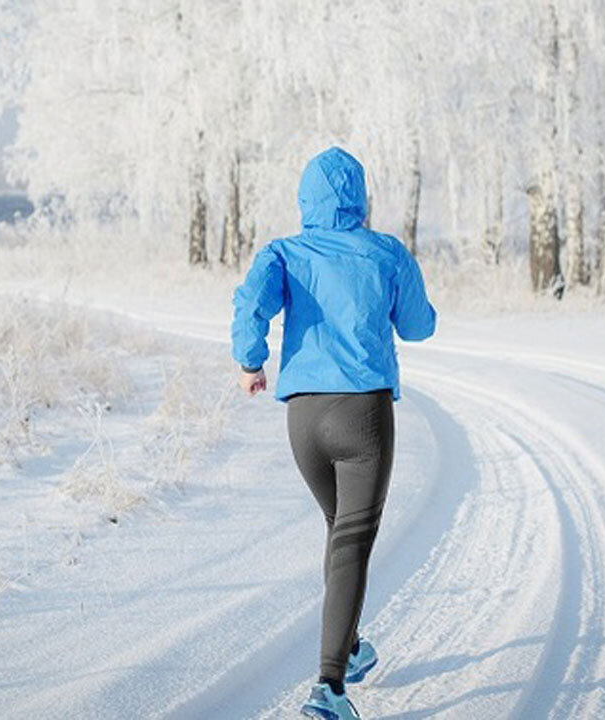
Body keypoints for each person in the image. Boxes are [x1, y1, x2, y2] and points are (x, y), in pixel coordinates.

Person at [230, 146, 437, 720]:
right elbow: (419, 327)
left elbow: (251, 303)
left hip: (303, 421)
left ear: (305, 200)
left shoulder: (284, 253)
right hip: (363, 416)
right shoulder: (385, 252)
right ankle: (330, 688)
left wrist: (251, 363)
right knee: (351, 540)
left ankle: (351, 647)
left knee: (338, 529)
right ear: (361, 199)